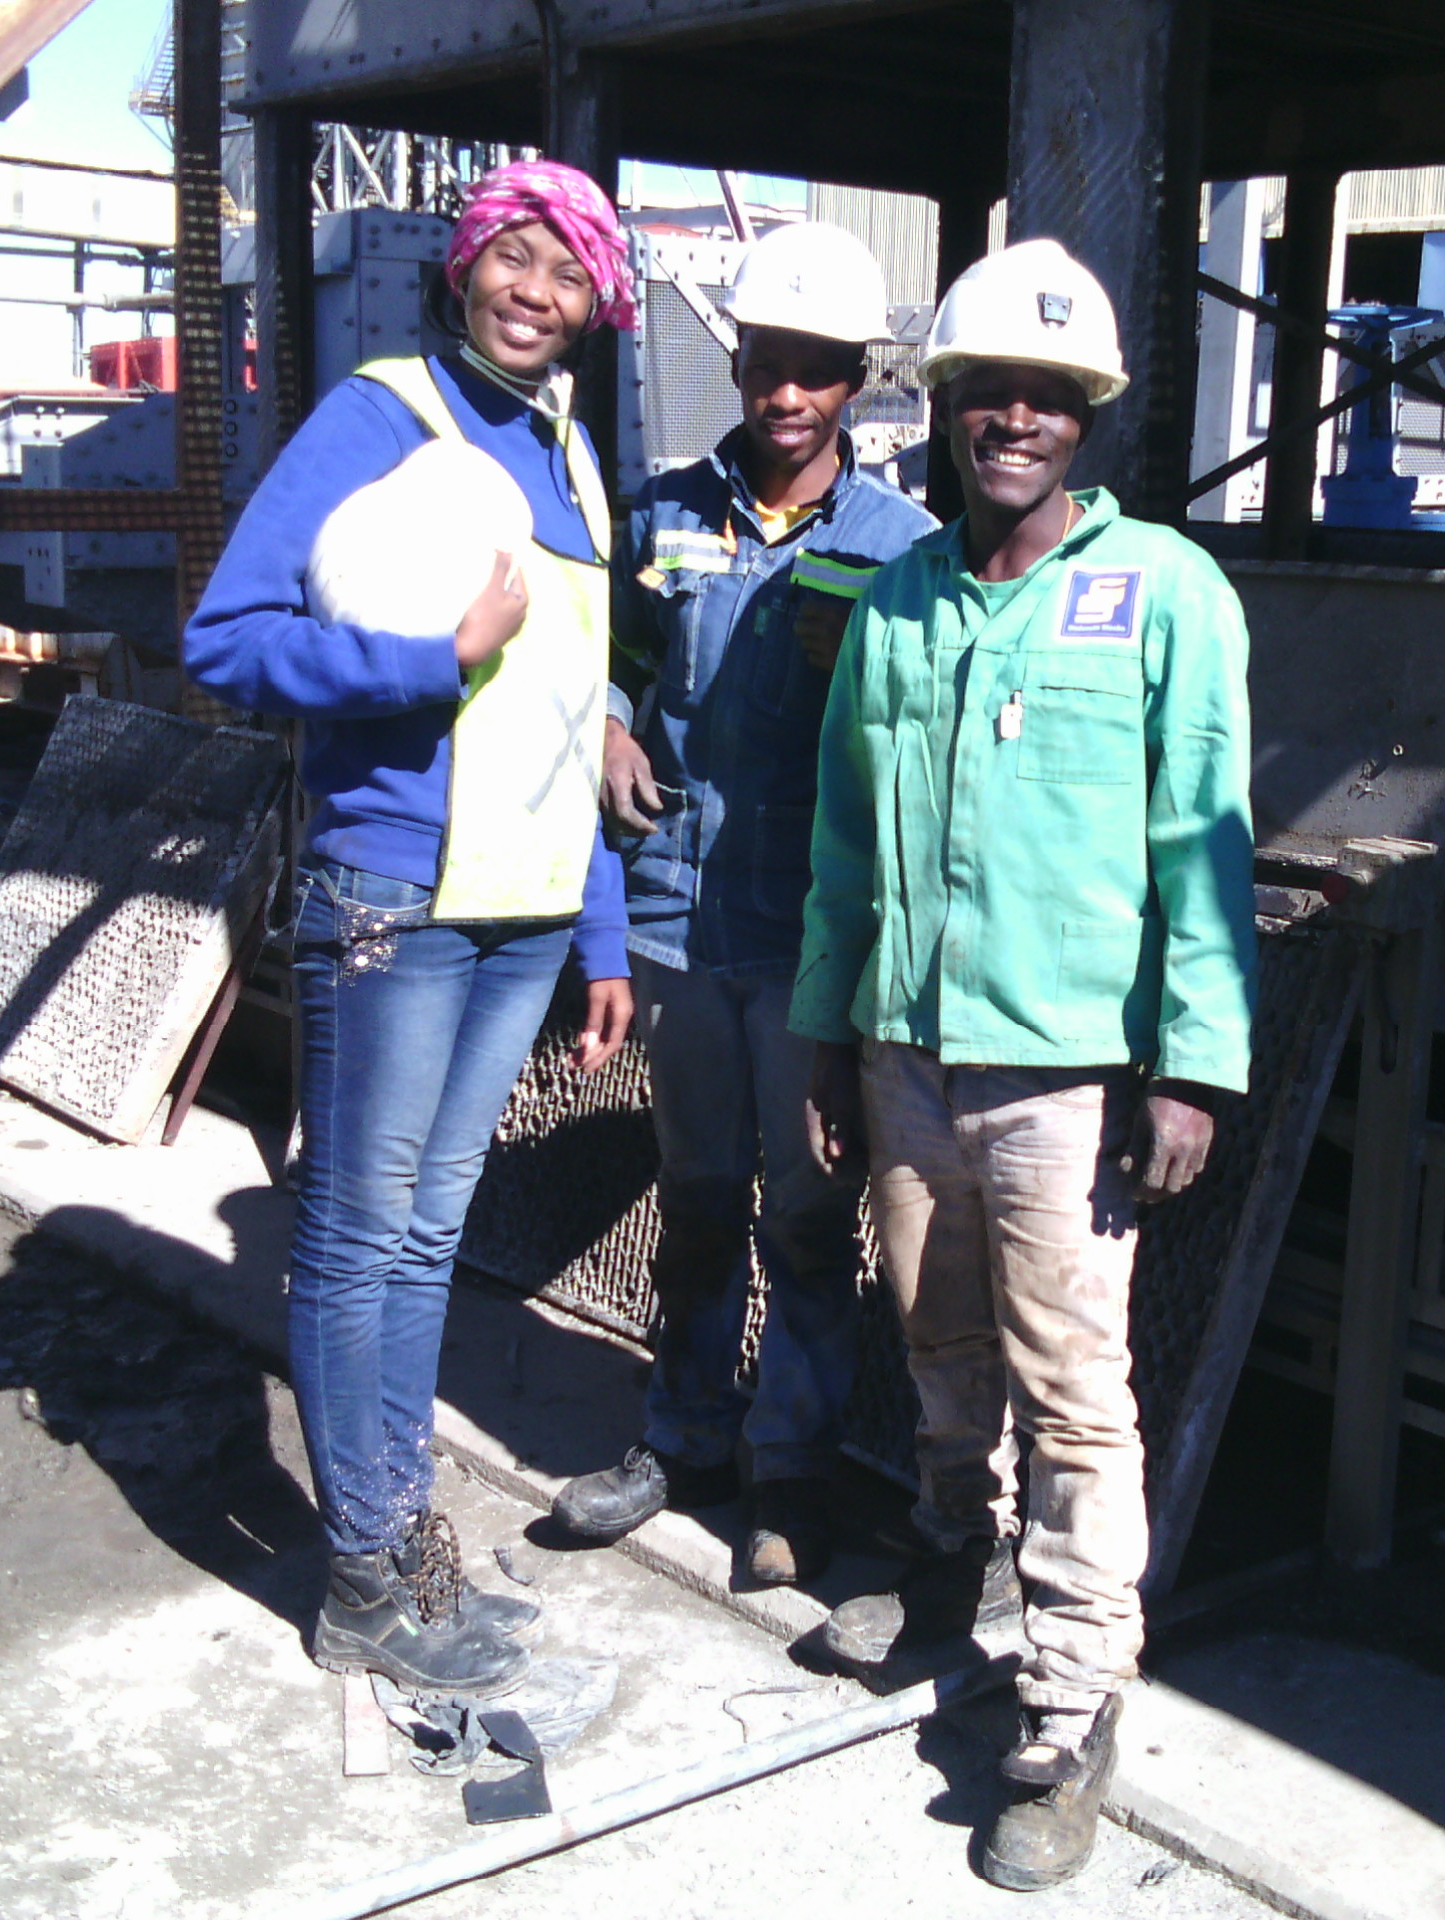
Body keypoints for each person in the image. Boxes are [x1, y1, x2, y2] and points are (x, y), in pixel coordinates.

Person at [790, 239, 1257, 1890]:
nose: (1014, 419)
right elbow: (846, 843)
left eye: (1048, 398)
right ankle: (946, 1567)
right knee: (936, 1340)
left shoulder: (1167, 594)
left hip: (1065, 1079)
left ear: (1087, 418)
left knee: (1072, 1396)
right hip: (907, 1056)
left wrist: (1192, 1066)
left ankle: (1067, 1707)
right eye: (988, 391)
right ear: (945, 407)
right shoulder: (900, 601)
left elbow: (1205, 841)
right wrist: (829, 1036)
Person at [184, 161, 640, 1696]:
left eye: (568, 274)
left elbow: (571, 703)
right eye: (515, 258)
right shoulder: (382, 415)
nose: (536, 293)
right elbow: (228, 639)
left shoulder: (571, 450)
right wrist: (429, 659)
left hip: (523, 908)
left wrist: (601, 926)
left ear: (596, 306)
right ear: (463, 266)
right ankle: (366, 1580)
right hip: (392, 894)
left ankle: (396, 1543)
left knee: (426, 1239)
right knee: (357, 1238)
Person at [552, 222, 935, 1585]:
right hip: (676, 924)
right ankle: (685, 1434)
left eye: (816, 369)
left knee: (811, 1222)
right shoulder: (663, 514)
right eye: (768, 362)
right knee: (702, 1198)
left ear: (854, 383)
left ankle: (791, 1471)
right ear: (737, 363)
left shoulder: (903, 549)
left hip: (810, 948)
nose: (786, 393)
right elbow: (610, 656)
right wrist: (610, 722)